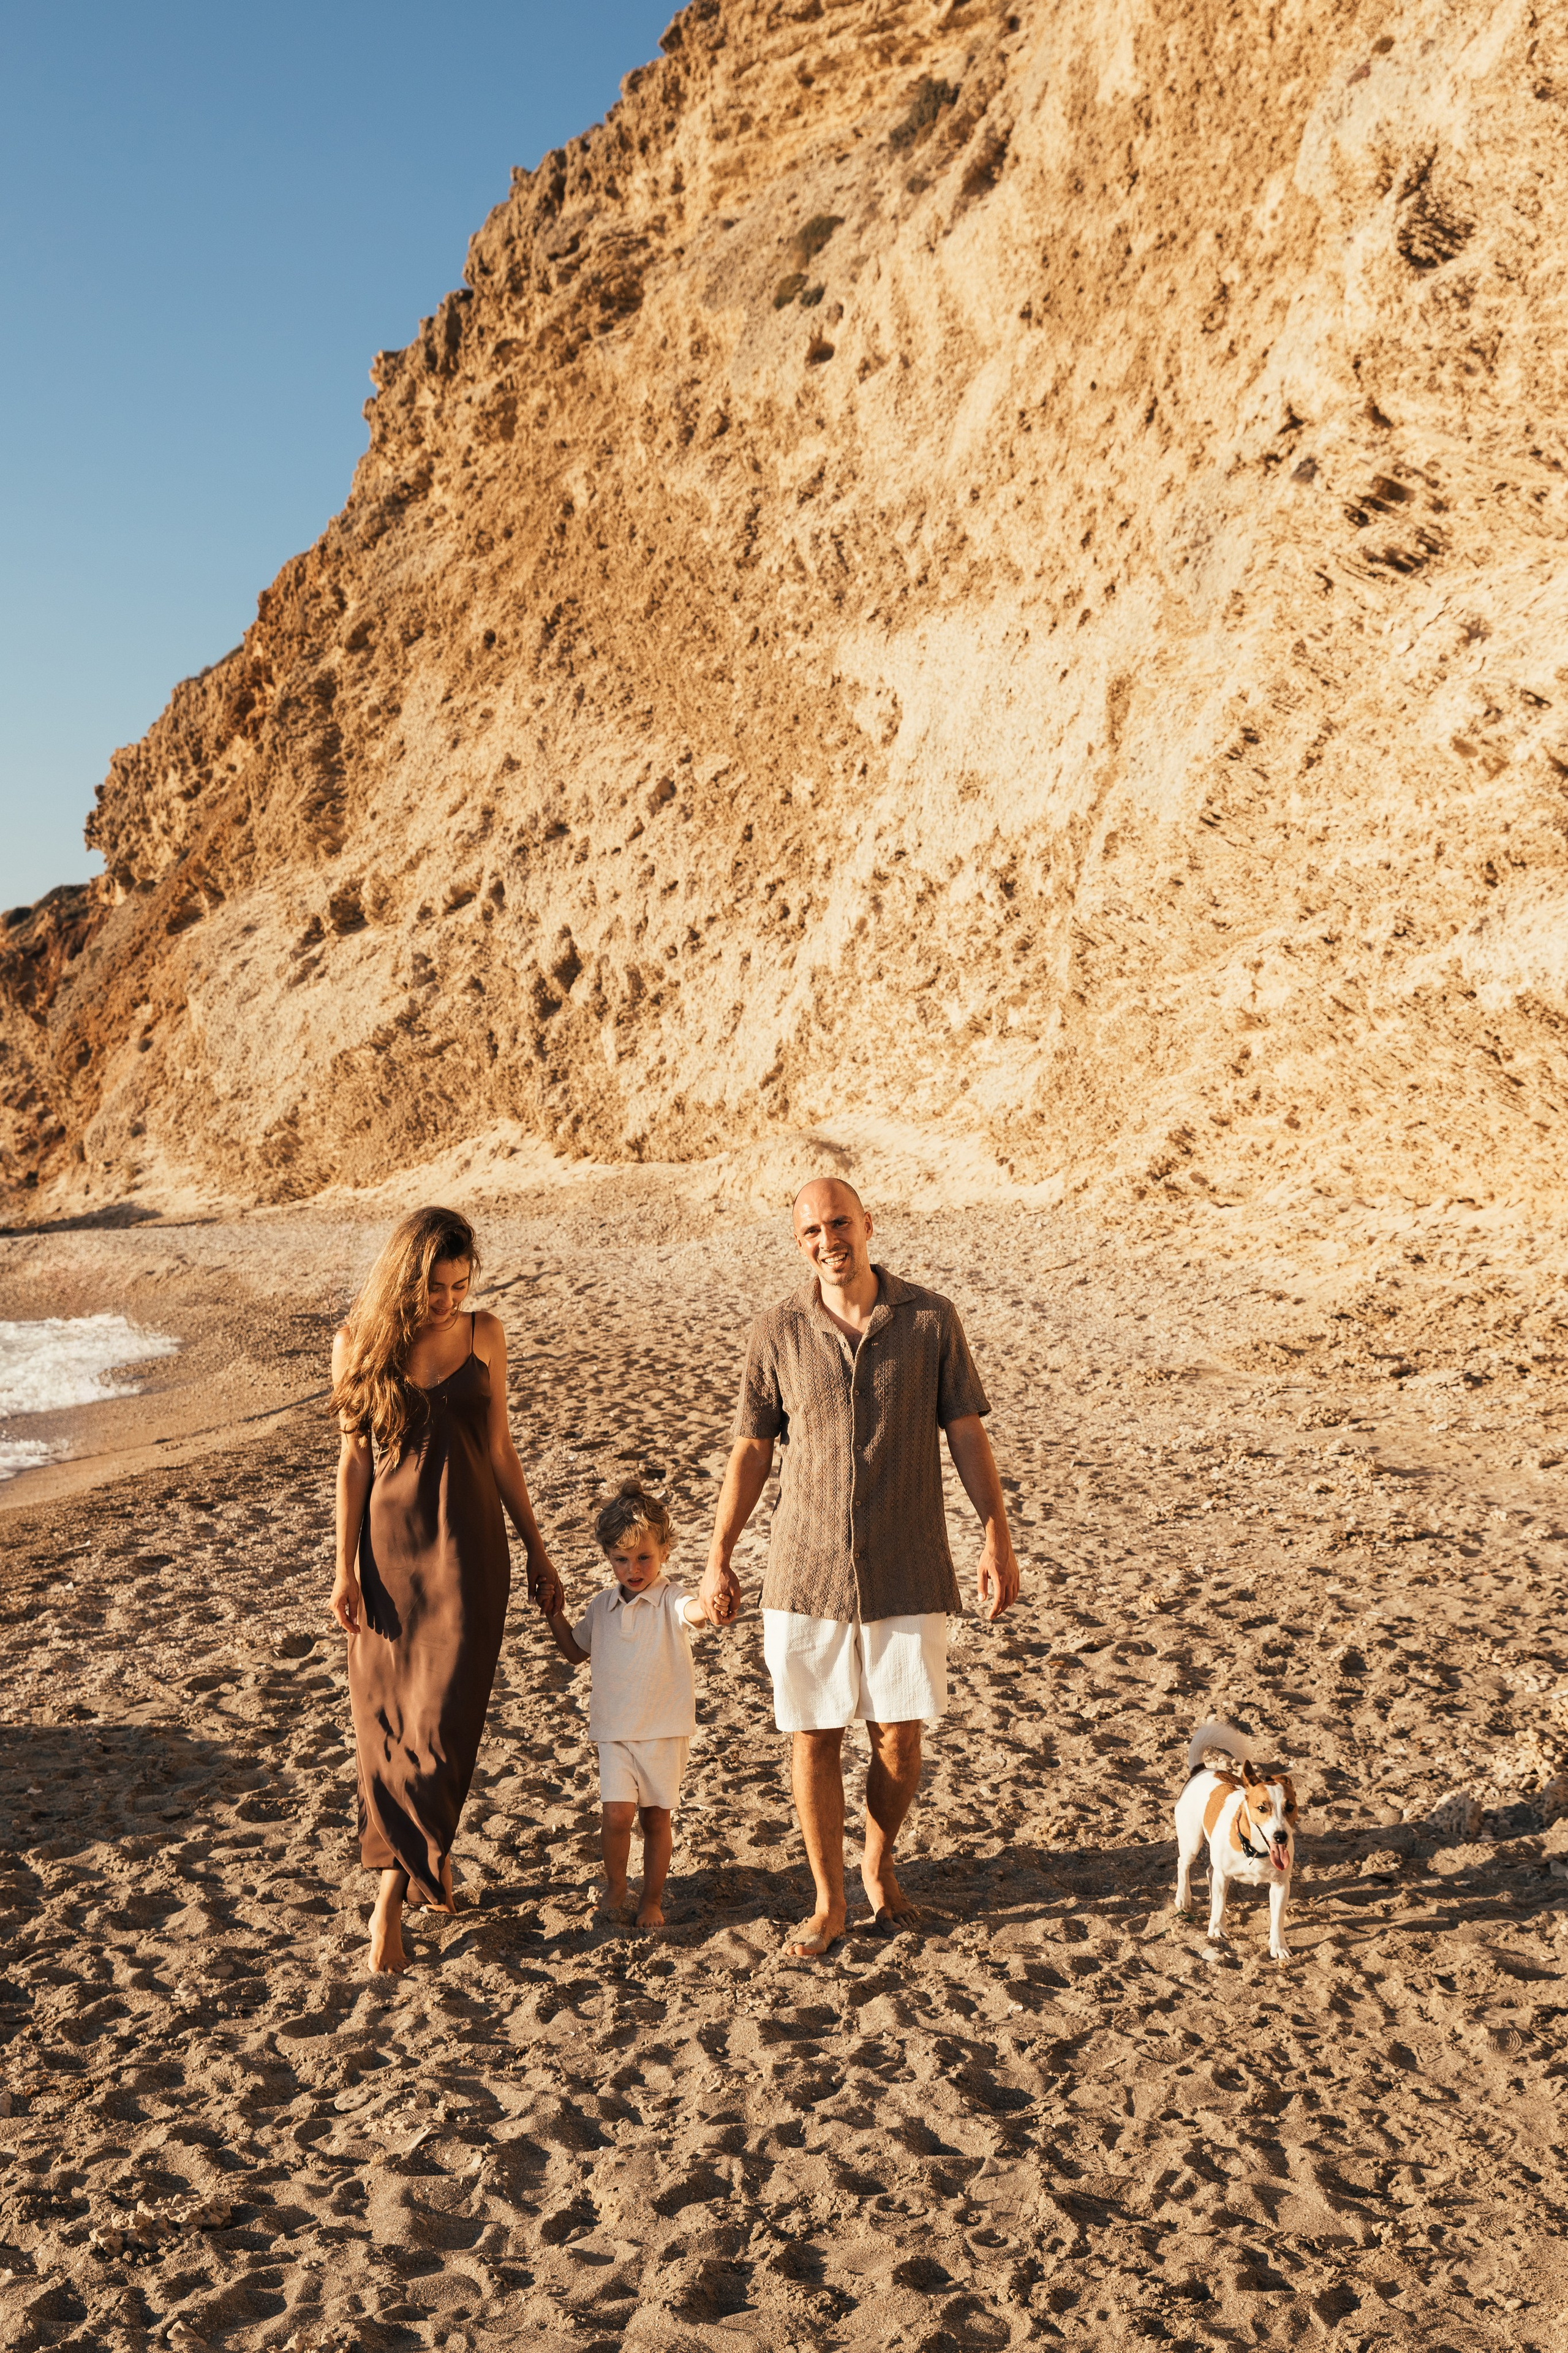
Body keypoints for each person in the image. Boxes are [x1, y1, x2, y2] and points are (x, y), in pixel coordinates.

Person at [699, 1177, 1019, 1957]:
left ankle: (878, 1865)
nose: (827, 1239)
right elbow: (751, 1447)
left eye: (838, 1222)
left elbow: (967, 1433)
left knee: (899, 1741)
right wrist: (718, 1555)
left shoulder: (930, 1319)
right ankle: (828, 1898)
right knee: (811, 1736)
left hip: (908, 1559)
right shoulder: (777, 1328)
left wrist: (995, 1535)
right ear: (799, 1242)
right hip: (804, 1567)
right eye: (810, 1230)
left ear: (868, 1224)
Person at [330, 1206, 562, 1974]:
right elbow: (354, 1466)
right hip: (389, 1556)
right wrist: (342, 1569)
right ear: (406, 1278)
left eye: (461, 1285)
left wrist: (536, 1546)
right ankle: (426, 1866)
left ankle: (393, 1893)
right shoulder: (357, 1346)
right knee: (387, 1723)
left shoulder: (485, 1334)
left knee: (445, 1721)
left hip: (470, 1550)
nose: (449, 1301)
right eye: (435, 1287)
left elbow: (498, 1446)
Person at [543, 1481, 718, 1928]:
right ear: (608, 1556)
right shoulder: (602, 1606)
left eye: (644, 1557)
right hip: (615, 1730)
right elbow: (574, 1650)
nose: (633, 1568)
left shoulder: (670, 1597)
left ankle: (652, 1900)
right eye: (621, 1559)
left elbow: (694, 1611)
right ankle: (617, 1887)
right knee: (617, 1815)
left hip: (663, 1729)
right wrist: (553, 1613)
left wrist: (711, 1602)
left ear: (664, 1551)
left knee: (657, 1820)